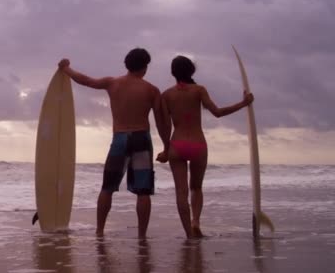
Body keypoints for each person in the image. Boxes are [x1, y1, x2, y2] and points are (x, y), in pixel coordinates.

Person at [58, 48, 170, 238]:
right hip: (141, 138)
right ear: (145, 67)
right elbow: (161, 121)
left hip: (120, 138)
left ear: (127, 64)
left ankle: (99, 231)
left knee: (107, 187)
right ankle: (142, 236)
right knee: (143, 191)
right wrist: (167, 147)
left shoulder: (112, 83)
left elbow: (86, 80)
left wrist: (67, 69)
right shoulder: (151, 90)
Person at [157, 55, 253, 238]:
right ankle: (196, 222)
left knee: (181, 192)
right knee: (196, 188)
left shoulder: (166, 95)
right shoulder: (199, 90)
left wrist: (165, 148)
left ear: (173, 73)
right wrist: (244, 103)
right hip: (197, 144)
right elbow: (217, 112)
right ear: (191, 71)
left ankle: (188, 234)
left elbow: (164, 125)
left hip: (176, 144)